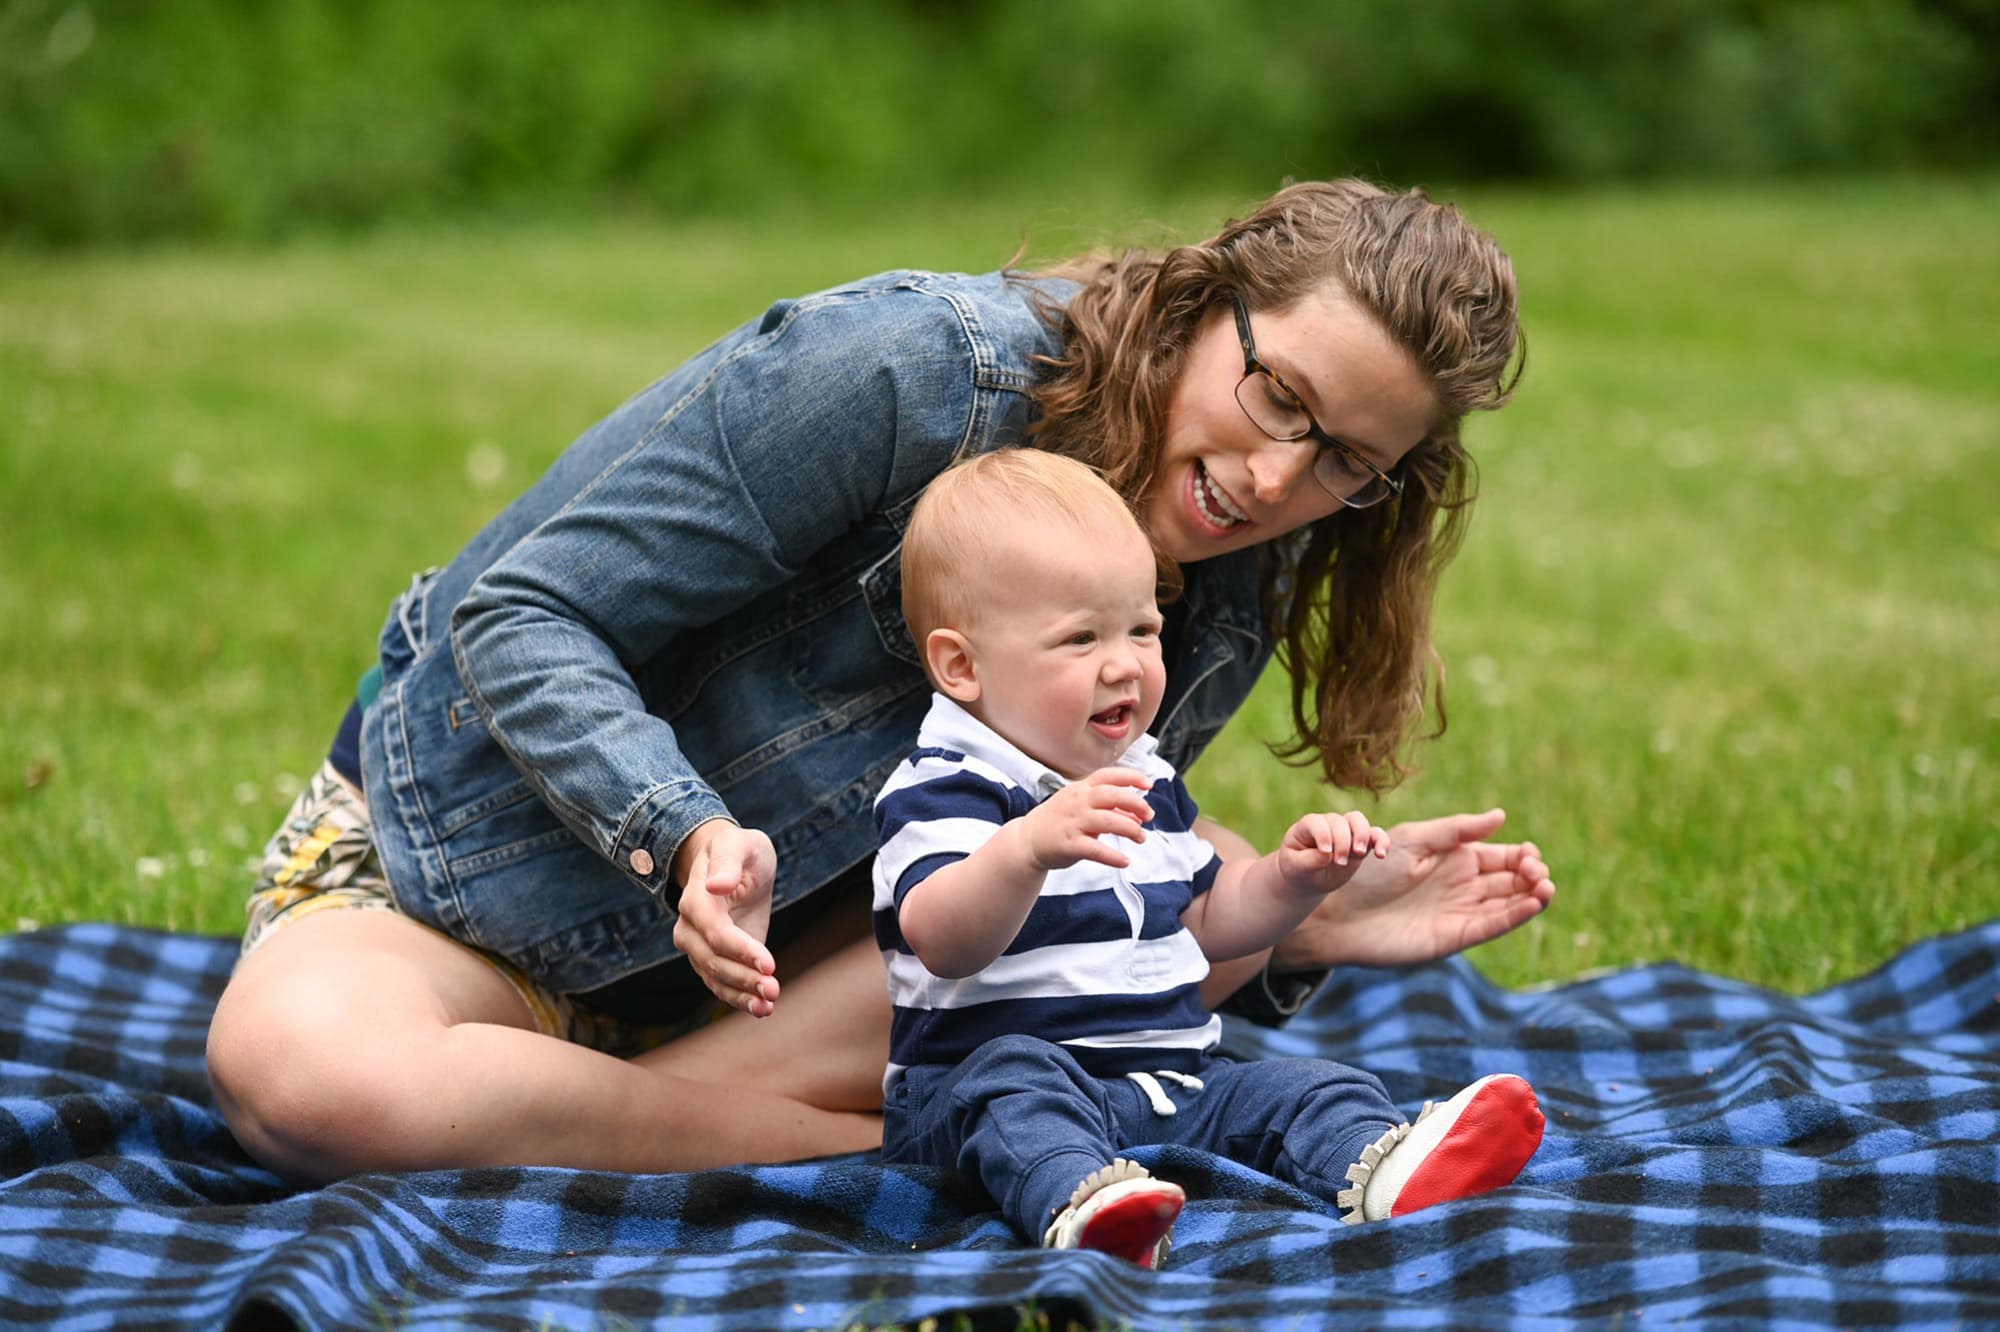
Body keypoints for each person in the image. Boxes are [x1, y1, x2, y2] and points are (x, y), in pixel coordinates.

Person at [205, 178, 1555, 1184]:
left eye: (1344, 463)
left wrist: (1291, 924)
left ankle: (613, 1116)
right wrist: (683, 832)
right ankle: (858, 1144)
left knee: (1165, 862)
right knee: (302, 1073)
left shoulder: (1237, 573)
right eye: (1279, 399)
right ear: (1208, 304)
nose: (1276, 480)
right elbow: (523, 614)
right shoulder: (914, 370)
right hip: (487, 891)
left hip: (797, 991)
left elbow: (1058, 867)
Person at [872, 449, 1544, 1266]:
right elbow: (941, 938)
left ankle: (1386, 1166)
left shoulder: (1142, 778)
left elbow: (1206, 923)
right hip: (971, 1100)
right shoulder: (949, 787)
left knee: (1297, 1084)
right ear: (962, 666)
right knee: (1014, 1083)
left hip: (1165, 1084)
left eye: (1143, 629)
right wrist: (1027, 849)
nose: (1125, 663)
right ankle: (1082, 1204)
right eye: (1081, 638)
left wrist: (1292, 882)